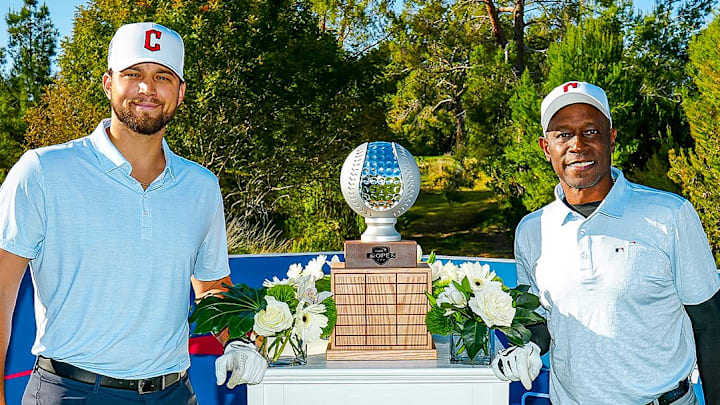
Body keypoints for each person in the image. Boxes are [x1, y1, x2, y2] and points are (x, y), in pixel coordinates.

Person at [0, 22, 265, 405]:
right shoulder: (42, 170)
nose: (147, 88)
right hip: (72, 393)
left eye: (162, 76)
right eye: (133, 74)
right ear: (109, 83)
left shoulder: (200, 185)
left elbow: (210, 288)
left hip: (174, 393)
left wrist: (239, 339)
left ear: (180, 92)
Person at [491, 81, 720, 404]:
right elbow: (542, 318)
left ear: (611, 138)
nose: (577, 145)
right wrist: (527, 346)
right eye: (563, 134)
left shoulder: (670, 214)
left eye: (591, 132)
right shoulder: (532, 231)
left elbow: (710, 322)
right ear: (546, 147)